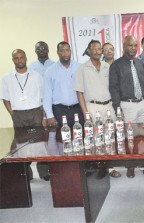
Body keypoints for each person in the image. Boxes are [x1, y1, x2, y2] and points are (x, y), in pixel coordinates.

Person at [74, 40, 120, 178]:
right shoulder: (82, 68)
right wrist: (85, 113)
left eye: (99, 49)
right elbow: (79, 92)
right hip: (92, 107)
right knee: (96, 138)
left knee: (111, 137)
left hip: (108, 106)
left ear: (102, 51)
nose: (96, 51)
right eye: (93, 49)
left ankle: (112, 168)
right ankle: (100, 167)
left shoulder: (107, 67)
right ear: (88, 51)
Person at [0, 49, 46, 180]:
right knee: (21, 144)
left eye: (21, 57)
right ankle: (26, 173)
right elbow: (5, 98)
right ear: (13, 59)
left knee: (40, 142)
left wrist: (43, 116)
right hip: (18, 114)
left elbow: (42, 97)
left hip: (35, 112)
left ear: (26, 58)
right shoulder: (6, 77)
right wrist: (12, 114)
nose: (19, 60)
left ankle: (43, 172)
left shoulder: (36, 76)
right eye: (16, 58)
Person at [109, 35, 144, 178]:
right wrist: (117, 108)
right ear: (124, 46)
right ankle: (130, 165)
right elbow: (113, 88)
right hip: (127, 105)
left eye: (134, 45)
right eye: (130, 45)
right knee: (129, 137)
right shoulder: (116, 65)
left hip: (143, 103)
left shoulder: (140, 63)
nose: (133, 48)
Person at [43, 41, 83, 128]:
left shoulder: (79, 67)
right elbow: (47, 95)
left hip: (78, 109)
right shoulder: (50, 71)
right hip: (59, 111)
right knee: (62, 139)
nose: (65, 53)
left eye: (67, 50)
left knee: (80, 136)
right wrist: (49, 115)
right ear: (58, 52)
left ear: (70, 51)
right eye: (62, 50)